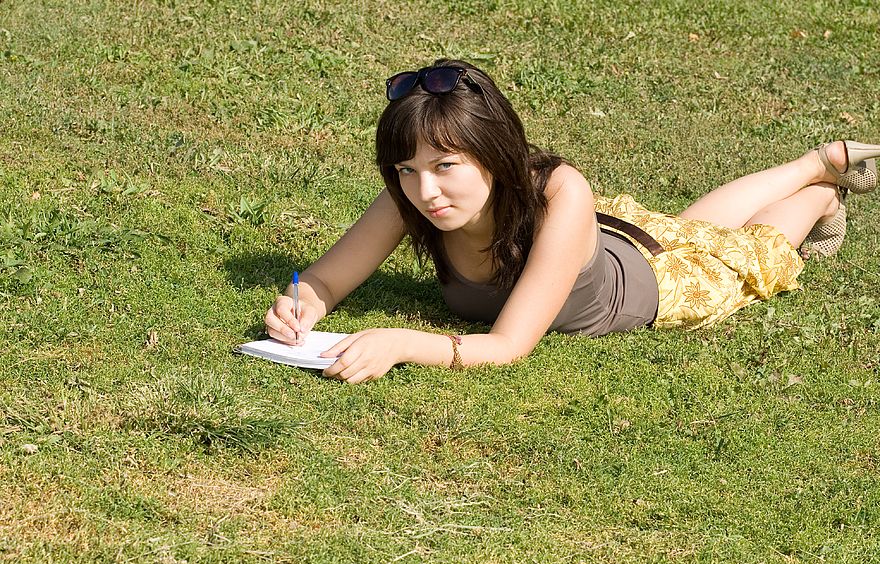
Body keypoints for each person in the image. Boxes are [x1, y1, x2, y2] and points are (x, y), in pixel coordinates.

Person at [264, 58, 879, 384]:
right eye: (406, 168)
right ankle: (817, 160)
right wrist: (303, 306)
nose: (425, 190)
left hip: (654, 285)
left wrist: (402, 343)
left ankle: (819, 191)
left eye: (446, 165)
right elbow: (323, 281)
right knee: (684, 225)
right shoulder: (412, 192)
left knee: (749, 250)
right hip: (607, 236)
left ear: (494, 152)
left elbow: (505, 347)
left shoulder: (560, 191)